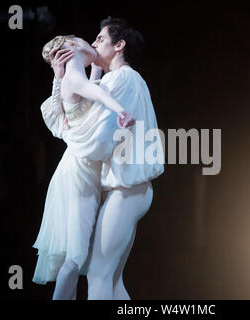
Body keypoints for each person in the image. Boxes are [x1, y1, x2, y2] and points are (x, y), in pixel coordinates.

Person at [40, 17, 164, 300]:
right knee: (111, 279)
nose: (94, 43)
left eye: (100, 39)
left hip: (127, 190)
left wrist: (73, 141)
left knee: (98, 274)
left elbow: (92, 139)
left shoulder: (123, 78)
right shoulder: (115, 79)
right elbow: (75, 120)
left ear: (119, 46)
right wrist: (61, 79)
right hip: (127, 190)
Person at [32, 35, 135, 300]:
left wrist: (94, 67)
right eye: (82, 39)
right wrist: (121, 110)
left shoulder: (74, 78)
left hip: (80, 166)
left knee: (78, 257)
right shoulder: (73, 79)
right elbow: (97, 92)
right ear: (72, 47)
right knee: (76, 257)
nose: (91, 41)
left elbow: (92, 85)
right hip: (78, 171)